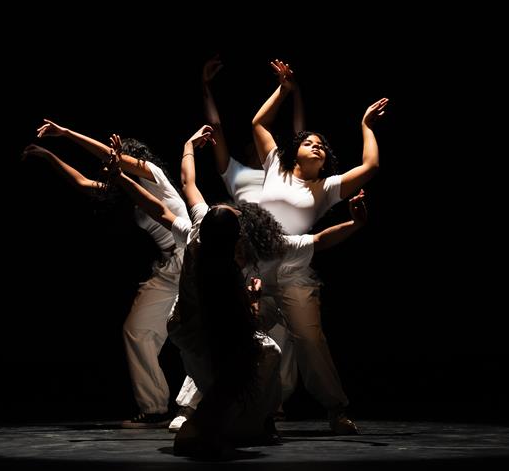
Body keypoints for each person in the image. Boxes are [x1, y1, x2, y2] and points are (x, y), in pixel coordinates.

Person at [108, 126, 369, 455]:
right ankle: (209, 414)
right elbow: (164, 202)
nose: (233, 207)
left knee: (261, 347)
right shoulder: (215, 241)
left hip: (197, 326)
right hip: (199, 328)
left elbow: (167, 201)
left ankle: (245, 413)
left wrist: (123, 175)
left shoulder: (206, 232)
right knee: (257, 350)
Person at [168, 55, 308, 431]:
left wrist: (292, 92)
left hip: (272, 249)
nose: (255, 149)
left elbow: (298, 135)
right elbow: (215, 128)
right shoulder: (236, 174)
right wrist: (206, 88)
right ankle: (193, 406)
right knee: (220, 323)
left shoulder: (284, 175)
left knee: (277, 331)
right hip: (235, 247)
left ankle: (268, 405)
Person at [250, 58, 388, 434]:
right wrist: (283, 89)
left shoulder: (325, 189)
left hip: (295, 269)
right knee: (235, 335)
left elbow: (371, 166)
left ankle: (335, 408)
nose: (316, 147)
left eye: (322, 147)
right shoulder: (276, 164)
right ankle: (215, 408)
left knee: (310, 340)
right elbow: (258, 124)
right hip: (254, 269)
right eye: (309, 142)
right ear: (295, 151)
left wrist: (365, 126)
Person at [27, 120, 190, 428]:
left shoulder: (153, 175)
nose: (103, 167)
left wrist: (66, 133)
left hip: (193, 258)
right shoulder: (126, 192)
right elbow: (82, 183)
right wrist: (49, 156)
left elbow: (108, 157)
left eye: (110, 160)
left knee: (196, 333)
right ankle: (154, 408)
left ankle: (212, 402)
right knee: (137, 330)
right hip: (169, 267)